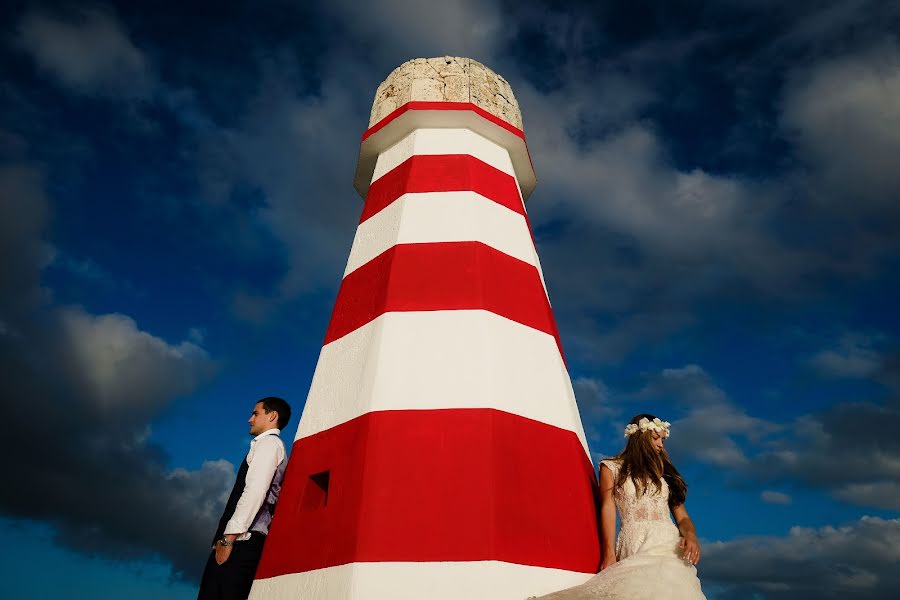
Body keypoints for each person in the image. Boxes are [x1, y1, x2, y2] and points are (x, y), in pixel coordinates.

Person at [530, 414, 705, 599]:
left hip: (670, 546)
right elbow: (608, 509)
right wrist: (608, 553)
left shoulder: (665, 473)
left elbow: (683, 517)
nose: (661, 444)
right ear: (639, 438)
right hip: (634, 540)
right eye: (655, 438)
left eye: (662, 439)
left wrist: (691, 535)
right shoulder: (611, 468)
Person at [198, 396, 291, 600]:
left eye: (256, 413)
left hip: (242, 541)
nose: (250, 419)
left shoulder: (269, 444)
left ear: (272, 416)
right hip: (240, 540)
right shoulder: (266, 445)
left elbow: (255, 491)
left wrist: (228, 539)